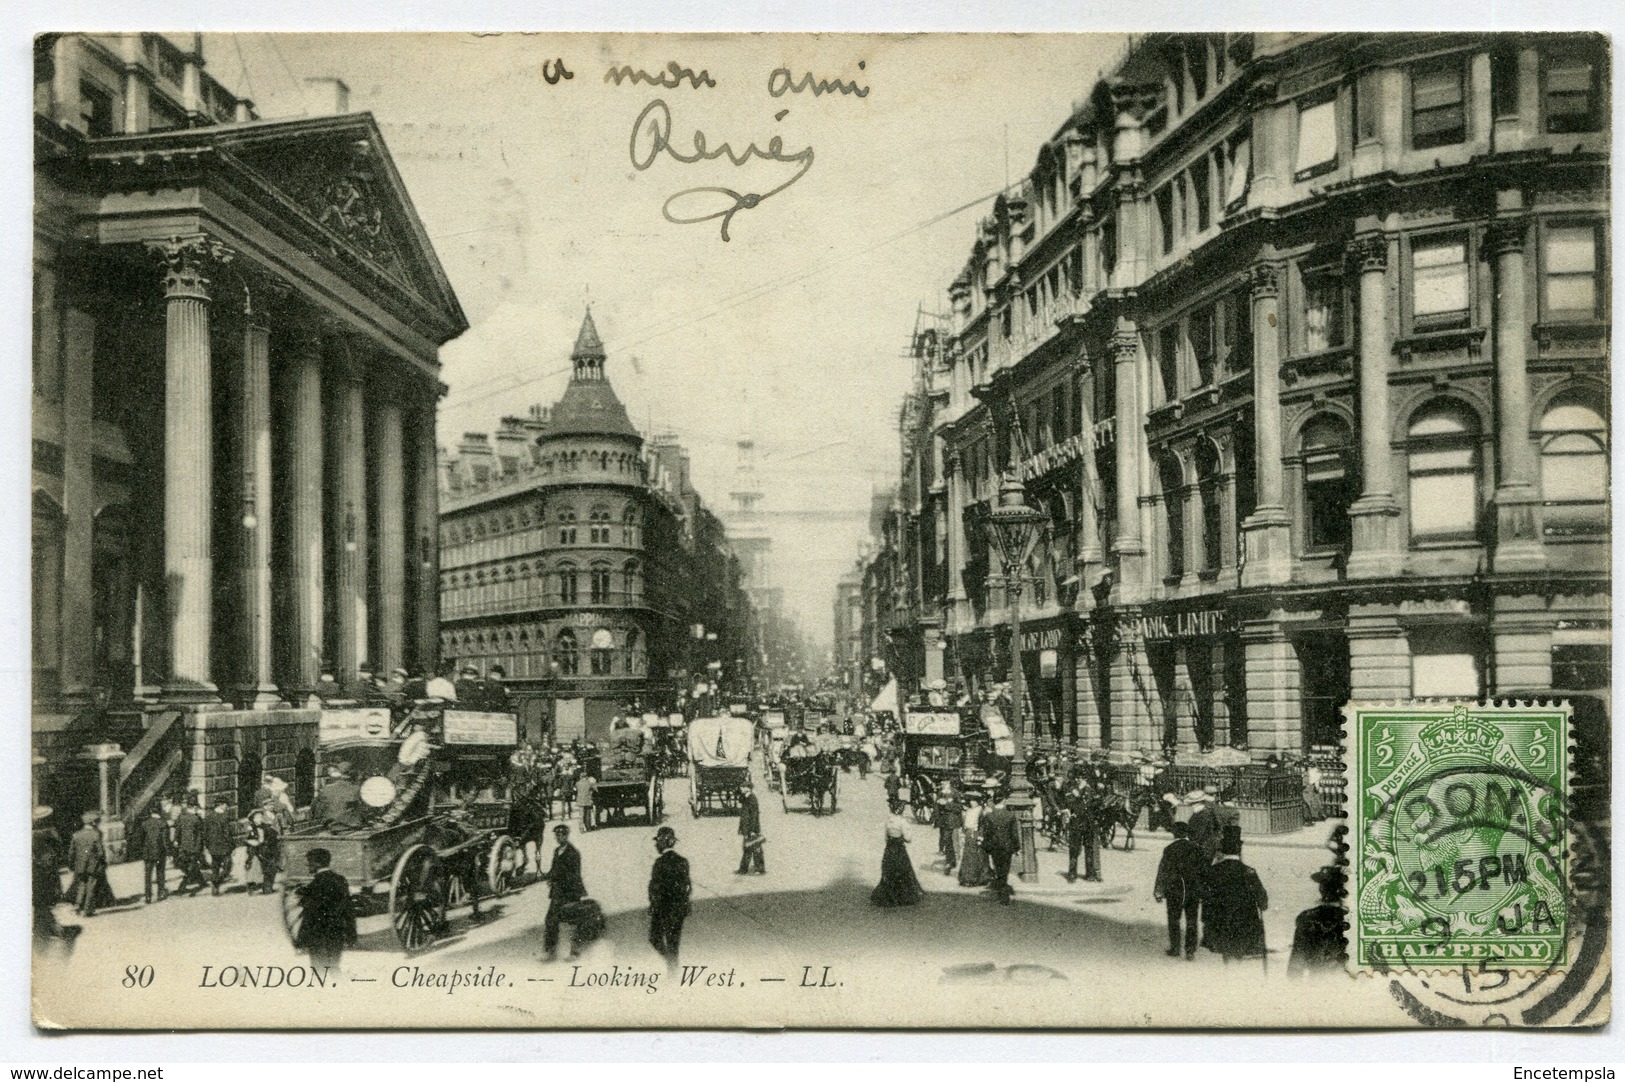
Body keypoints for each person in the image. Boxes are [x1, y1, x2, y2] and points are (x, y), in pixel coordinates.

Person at [1203, 833, 1269, 964]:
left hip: (1219, 922)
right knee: (1238, 951)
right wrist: (1262, 904)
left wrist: (1206, 918)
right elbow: (1261, 897)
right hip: (1244, 922)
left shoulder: (1213, 870)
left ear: (1222, 851)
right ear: (1239, 850)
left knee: (1225, 952)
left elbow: (1205, 895)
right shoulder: (1249, 871)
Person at [293, 848, 356, 972]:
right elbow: (348, 908)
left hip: (318, 934)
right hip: (337, 932)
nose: (307, 865)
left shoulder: (315, 884)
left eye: (309, 862)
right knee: (334, 967)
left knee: (318, 971)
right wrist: (351, 934)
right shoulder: (340, 880)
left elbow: (310, 914)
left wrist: (301, 939)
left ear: (317, 864)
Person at [1154, 821, 1208, 960]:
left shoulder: (1169, 849)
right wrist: (1204, 890)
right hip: (1192, 891)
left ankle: (1175, 948)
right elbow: (1204, 871)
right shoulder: (1197, 848)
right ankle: (1190, 951)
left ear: (1174, 834)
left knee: (1174, 919)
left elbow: (1163, 871)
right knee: (1191, 920)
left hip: (1174, 890)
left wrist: (1158, 890)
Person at [1288, 865, 1348, 977]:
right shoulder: (1352, 921)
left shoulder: (1307, 918)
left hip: (1317, 983)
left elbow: (1295, 967)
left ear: (1321, 889)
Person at [541, 824, 588, 961]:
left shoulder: (573, 853)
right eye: (556, 835)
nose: (558, 837)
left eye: (561, 835)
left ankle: (575, 952)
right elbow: (553, 868)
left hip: (571, 891)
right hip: (558, 892)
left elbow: (574, 874)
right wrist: (548, 876)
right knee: (550, 919)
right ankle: (549, 950)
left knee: (574, 921)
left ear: (566, 836)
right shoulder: (556, 851)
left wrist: (557, 878)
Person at [647, 826, 691, 970]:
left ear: (663, 843)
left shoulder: (659, 863)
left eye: (658, 842)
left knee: (655, 938)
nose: (655, 845)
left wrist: (653, 904)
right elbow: (687, 886)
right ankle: (673, 966)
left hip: (663, 909)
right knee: (674, 943)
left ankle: (671, 964)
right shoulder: (683, 861)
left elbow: (654, 887)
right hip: (679, 909)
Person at [870, 815, 923, 907]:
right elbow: (908, 838)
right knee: (903, 869)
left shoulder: (888, 821)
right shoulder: (903, 822)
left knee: (888, 869)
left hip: (889, 849)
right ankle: (903, 896)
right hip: (899, 849)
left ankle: (889, 895)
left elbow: (886, 838)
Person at [980, 793, 1021, 905]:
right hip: (1007, 846)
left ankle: (1001, 890)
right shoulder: (1010, 815)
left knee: (997, 867)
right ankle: (1004, 893)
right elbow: (1014, 834)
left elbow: (987, 833)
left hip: (995, 846)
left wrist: (986, 846)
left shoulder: (989, 816)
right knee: (1005, 869)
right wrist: (1017, 847)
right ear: (1003, 800)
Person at [68, 812, 109, 917]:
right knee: (91, 887)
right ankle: (87, 910)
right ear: (92, 823)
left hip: (80, 866)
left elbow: (71, 852)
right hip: (93, 866)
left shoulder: (76, 835)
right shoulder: (95, 835)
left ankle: (78, 905)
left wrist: (71, 864)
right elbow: (100, 852)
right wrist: (103, 862)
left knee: (82, 885)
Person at [1064, 781, 1102, 883]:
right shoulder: (1071, 789)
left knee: (1089, 849)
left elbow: (1096, 803)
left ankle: (1090, 874)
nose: (1083, 780)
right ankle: (1072, 874)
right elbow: (1069, 802)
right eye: (1080, 777)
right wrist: (1080, 789)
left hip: (1088, 824)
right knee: (1074, 849)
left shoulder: (1090, 790)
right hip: (1076, 824)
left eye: (1084, 777)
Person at [201, 800, 238, 895]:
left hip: (213, 845)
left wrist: (206, 845)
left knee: (215, 867)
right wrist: (232, 846)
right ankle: (217, 882)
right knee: (227, 866)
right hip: (224, 845)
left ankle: (215, 886)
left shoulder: (208, 816)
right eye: (226, 804)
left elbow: (204, 832)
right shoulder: (224, 816)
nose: (227, 807)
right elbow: (227, 833)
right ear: (221, 805)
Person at [312, 762, 364, 829]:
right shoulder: (357, 790)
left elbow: (315, 812)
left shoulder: (326, 789)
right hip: (352, 829)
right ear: (355, 775)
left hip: (329, 828)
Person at [173, 796, 206, 894]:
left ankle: (201, 882)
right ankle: (182, 886)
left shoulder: (181, 817)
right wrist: (201, 847)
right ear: (195, 807)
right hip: (194, 847)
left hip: (183, 846)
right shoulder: (197, 819)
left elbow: (177, 830)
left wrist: (176, 840)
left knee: (190, 865)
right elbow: (201, 834)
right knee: (191, 867)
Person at [138, 806, 170, 904]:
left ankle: (148, 896)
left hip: (148, 852)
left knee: (148, 875)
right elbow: (165, 840)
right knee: (160, 873)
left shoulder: (145, 824)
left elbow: (141, 839)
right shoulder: (163, 824)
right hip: (160, 852)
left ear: (151, 812)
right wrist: (168, 851)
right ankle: (160, 893)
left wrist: (143, 849)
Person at [957, 793, 989, 888]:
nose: (972, 802)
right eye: (971, 800)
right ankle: (966, 878)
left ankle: (978, 878)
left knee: (977, 856)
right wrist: (963, 835)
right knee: (968, 856)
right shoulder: (969, 811)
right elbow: (965, 825)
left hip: (976, 834)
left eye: (974, 800)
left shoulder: (980, 811)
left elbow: (983, 825)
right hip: (968, 835)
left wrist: (981, 836)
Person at [246, 809, 281, 894]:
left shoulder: (266, 827)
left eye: (261, 817)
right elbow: (248, 841)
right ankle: (252, 885)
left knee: (270, 868)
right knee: (254, 867)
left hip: (267, 851)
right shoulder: (250, 829)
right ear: (253, 819)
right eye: (257, 817)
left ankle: (267, 886)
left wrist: (268, 841)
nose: (260, 819)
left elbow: (274, 835)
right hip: (255, 852)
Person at [736, 780, 765, 875]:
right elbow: (740, 799)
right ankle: (744, 869)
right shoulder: (746, 797)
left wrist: (752, 830)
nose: (741, 788)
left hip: (751, 828)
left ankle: (759, 869)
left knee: (756, 848)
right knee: (747, 848)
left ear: (748, 788)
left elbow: (754, 815)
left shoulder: (752, 799)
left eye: (743, 787)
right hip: (746, 828)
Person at [934, 783, 962, 875]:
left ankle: (949, 862)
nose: (943, 783)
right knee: (946, 840)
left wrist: (947, 803)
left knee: (949, 840)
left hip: (952, 820)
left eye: (945, 781)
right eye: (941, 782)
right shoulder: (940, 792)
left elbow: (959, 807)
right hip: (943, 822)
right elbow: (936, 807)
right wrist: (936, 820)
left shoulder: (955, 792)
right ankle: (951, 860)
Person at [1188, 787, 1220, 865]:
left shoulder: (1202, 815)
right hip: (1208, 848)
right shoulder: (1204, 813)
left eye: (1192, 804)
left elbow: (1198, 835)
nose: (1191, 806)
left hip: (1202, 850)